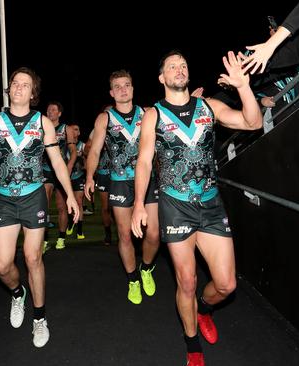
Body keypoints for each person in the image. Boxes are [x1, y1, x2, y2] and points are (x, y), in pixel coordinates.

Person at [131, 51, 262, 365]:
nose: (180, 69)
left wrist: (243, 87)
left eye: (184, 65)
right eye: (172, 66)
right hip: (175, 207)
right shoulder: (154, 114)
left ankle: (205, 308)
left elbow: (252, 122)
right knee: (186, 280)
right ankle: (193, 348)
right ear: (162, 78)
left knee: (227, 285)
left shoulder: (209, 107)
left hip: (210, 205)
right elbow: (145, 160)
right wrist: (138, 204)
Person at [0, 62, 80, 348]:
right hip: (5, 198)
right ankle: (17, 293)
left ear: (33, 92)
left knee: (33, 257)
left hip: (34, 196)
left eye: (25, 84)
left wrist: (69, 194)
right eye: (15, 83)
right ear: (9, 89)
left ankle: (40, 318)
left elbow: (57, 162)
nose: (19, 87)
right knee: (3, 265)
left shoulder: (42, 122)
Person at [85, 70, 160, 305]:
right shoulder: (104, 119)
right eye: (117, 86)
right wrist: (89, 177)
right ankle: (132, 279)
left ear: (133, 89)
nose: (123, 89)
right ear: (111, 92)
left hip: (147, 179)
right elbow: (95, 150)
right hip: (119, 181)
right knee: (125, 234)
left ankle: (146, 268)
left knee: (154, 233)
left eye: (127, 85)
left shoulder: (148, 114)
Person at [41, 101, 72, 250]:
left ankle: (61, 238)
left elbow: (72, 151)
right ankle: (44, 240)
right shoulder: (42, 128)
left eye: (53, 110)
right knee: (43, 205)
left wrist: (70, 167)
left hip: (61, 171)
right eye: (48, 109)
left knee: (61, 207)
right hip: (46, 170)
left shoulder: (66, 129)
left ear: (59, 113)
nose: (50, 112)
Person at [87, 127, 112, 245]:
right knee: (106, 207)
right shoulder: (97, 129)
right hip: (103, 173)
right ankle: (108, 232)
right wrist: (96, 148)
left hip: (122, 175)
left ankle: (129, 235)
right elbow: (87, 149)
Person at [65, 123, 86, 239]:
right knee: (68, 203)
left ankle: (80, 230)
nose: (74, 132)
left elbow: (87, 158)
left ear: (78, 133)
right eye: (71, 130)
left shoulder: (82, 145)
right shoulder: (64, 146)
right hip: (66, 179)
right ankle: (70, 223)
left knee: (79, 202)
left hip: (79, 177)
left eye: (76, 130)